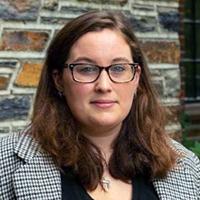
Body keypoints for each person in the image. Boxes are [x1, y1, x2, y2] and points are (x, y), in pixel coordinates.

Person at [0, 10, 199, 200]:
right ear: (59, 79)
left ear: (136, 77)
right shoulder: (5, 163)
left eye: (119, 68)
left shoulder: (186, 167)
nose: (104, 85)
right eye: (86, 69)